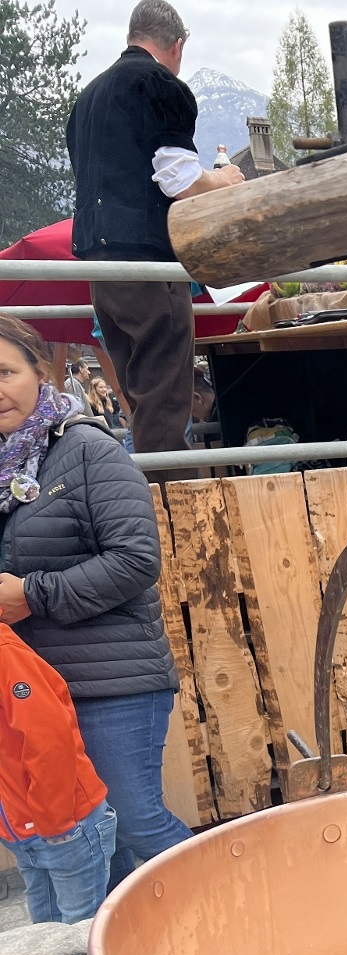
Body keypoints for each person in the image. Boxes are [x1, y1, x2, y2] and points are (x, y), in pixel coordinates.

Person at [0, 317, 191, 887]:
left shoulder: (87, 451)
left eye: (5, 372)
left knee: (136, 825)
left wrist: (32, 595)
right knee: (85, 835)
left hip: (111, 682)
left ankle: (244, 922)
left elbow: (136, 561)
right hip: (33, 689)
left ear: (42, 371)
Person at [66, 0, 244, 467]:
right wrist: (222, 181)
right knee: (165, 405)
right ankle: (170, 520)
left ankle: (143, 509)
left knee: (141, 401)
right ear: (177, 45)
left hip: (99, 266)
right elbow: (179, 178)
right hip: (146, 263)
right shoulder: (162, 84)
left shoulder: (87, 98)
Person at [0, 625, 117, 923]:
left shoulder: (6, 655)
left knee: (79, 937)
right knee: (46, 933)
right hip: (23, 832)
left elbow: (49, 741)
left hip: (64, 828)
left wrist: (55, 825)